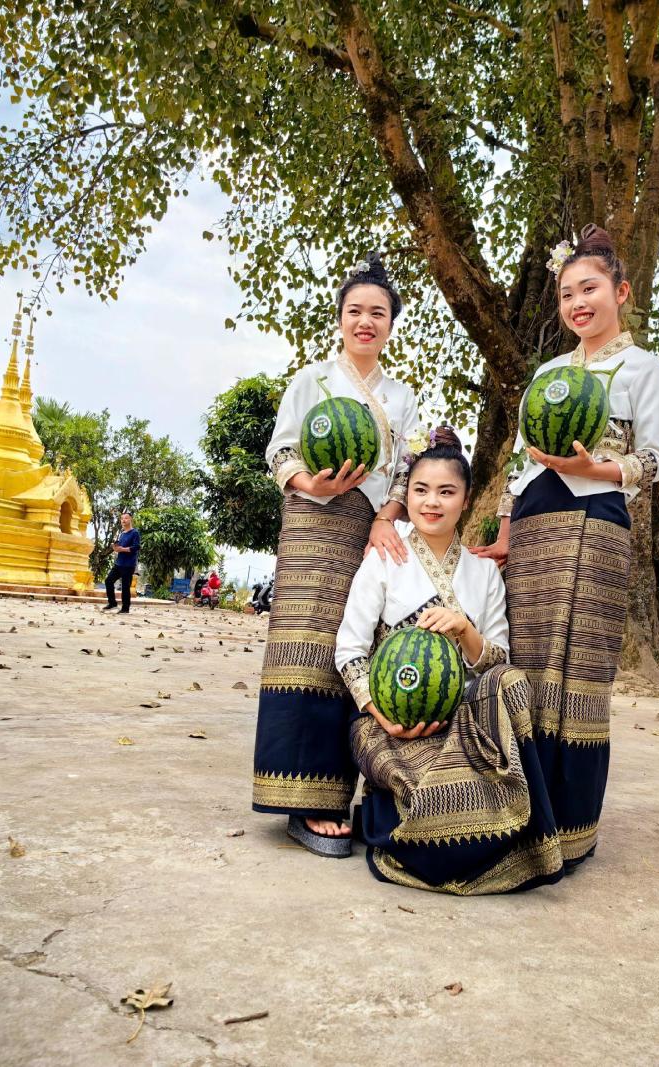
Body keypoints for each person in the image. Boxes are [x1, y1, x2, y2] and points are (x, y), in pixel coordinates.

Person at [472, 223, 659, 872]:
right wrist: (503, 532)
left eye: (589, 288)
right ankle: (517, 812)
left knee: (578, 672)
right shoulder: (550, 373)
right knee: (527, 662)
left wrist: (600, 471)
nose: (577, 302)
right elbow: (520, 462)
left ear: (621, 290)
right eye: (565, 294)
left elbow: (654, 460)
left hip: (597, 519)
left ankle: (572, 828)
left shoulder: (643, 367)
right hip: (534, 524)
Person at [336, 428, 565, 894]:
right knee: (433, 831)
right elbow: (350, 650)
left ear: (466, 498)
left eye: (446, 491)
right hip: (390, 724)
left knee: (511, 680)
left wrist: (464, 629)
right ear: (408, 495)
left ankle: (525, 831)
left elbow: (500, 657)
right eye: (420, 490)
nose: (431, 502)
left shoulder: (483, 572)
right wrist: (380, 713)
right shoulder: (384, 559)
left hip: (466, 724)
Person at [252, 252, 420, 858]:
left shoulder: (402, 397)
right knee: (302, 648)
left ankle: (341, 792)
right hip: (310, 520)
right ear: (341, 318)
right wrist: (310, 484)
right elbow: (279, 451)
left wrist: (383, 518)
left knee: (350, 651)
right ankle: (301, 802)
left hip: (367, 532)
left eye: (378, 312)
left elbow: (407, 471)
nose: (365, 321)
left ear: (391, 323)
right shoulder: (311, 380)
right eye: (356, 311)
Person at [103, 510, 140, 614]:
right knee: (108, 581)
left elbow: (136, 547)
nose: (123, 520)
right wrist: (115, 548)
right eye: (122, 518)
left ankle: (125, 608)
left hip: (129, 564)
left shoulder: (135, 533)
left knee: (125, 587)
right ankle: (112, 603)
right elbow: (120, 547)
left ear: (130, 519)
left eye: (126, 518)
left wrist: (122, 549)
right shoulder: (122, 534)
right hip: (119, 563)